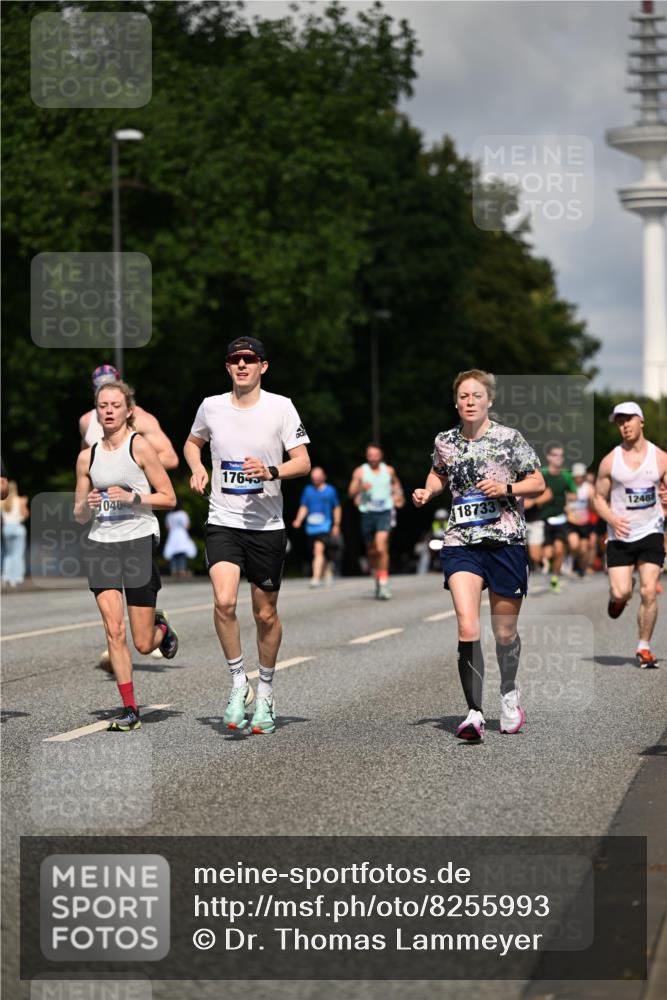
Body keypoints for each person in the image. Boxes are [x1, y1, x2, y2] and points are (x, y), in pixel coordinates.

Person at [184, 336, 311, 735]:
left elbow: (304, 462)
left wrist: (271, 471)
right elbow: (192, 443)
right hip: (223, 520)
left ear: (263, 366)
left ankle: (267, 691)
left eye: (249, 359)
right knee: (223, 601)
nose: (242, 365)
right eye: (235, 360)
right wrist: (198, 467)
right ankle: (239, 684)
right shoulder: (212, 406)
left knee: (264, 613)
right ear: (227, 367)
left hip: (266, 527)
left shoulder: (281, 407)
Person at [413, 369, 545, 742]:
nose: (470, 402)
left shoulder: (509, 439)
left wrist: (506, 486)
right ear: (456, 402)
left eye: (477, 396)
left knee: (504, 634)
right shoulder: (445, 441)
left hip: (505, 543)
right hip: (461, 542)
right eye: (464, 396)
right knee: (467, 626)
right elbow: (438, 474)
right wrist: (428, 493)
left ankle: (508, 692)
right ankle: (473, 712)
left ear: (489, 401)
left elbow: (537, 483)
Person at [74, 381, 179, 731]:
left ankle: (160, 629)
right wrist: (85, 507)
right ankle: (130, 708)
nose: (108, 410)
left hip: (137, 539)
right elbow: (78, 513)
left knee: (142, 641)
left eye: (115, 405)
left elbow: (168, 497)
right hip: (101, 543)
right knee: (113, 629)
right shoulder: (86, 457)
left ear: (128, 410)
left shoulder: (141, 447)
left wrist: (132, 498)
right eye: (102, 405)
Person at [593, 401, 667, 668]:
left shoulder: (660, 458)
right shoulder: (610, 461)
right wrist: (611, 517)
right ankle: (622, 594)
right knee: (621, 591)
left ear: (641, 421)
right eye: (619, 421)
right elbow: (598, 498)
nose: (624, 425)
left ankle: (644, 648)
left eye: (628, 419)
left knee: (650, 591)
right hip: (620, 534)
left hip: (651, 531)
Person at [80, 365, 179, 469]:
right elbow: (85, 465)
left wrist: (131, 467)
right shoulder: (86, 422)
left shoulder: (141, 418)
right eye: (102, 389)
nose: (108, 393)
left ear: (121, 385)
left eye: (112, 388)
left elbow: (170, 459)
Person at [348, 444, 404, 600]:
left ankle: (384, 583)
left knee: (381, 547)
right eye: (370, 455)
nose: (373, 457)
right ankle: (377, 576)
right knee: (372, 551)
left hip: (384, 511)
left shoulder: (389, 470)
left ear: (381, 455)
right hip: (367, 513)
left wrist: (399, 496)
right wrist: (360, 486)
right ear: (367, 456)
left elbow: (396, 485)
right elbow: (351, 492)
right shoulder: (360, 471)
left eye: (376, 455)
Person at [292, 467, 342, 587]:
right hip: (311, 527)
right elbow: (304, 507)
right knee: (317, 552)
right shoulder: (308, 490)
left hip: (325, 526)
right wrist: (298, 520)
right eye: (314, 477)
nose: (316, 479)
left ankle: (315, 578)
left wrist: (336, 524)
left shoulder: (330, 490)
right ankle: (327, 571)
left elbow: (336, 507)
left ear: (324, 477)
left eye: (318, 476)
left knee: (318, 550)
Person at [539, 444, 577, 593]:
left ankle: (555, 577)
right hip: (543, 518)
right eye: (555, 455)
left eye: (561, 455)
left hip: (560, 517)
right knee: (547, 553)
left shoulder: (566, 476)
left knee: (560, 550)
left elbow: (574, 494)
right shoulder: (542, 474)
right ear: (548, 457)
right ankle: (546, 565)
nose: (558, 458)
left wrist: (569, 496)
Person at [566, 462, 595, 576]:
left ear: (583, 476)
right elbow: (564, 505)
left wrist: (591, 500)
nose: (578, 478)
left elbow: (593, 505)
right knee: (574, 545)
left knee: (583, 549)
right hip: (572, 521)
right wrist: (569, 512)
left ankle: (582, 568)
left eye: (580, 476)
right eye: (576, 476)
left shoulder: (589, 488)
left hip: (584, 522)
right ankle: (570, 560)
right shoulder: (569, 487)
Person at [1, 481, 29, 587]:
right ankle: (16, 578)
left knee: (8, 553)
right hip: (17, 527)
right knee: (18, 554)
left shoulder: (2, 502)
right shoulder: (20, 500)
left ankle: (6, 576)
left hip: (7, 528)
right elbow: (25, 514)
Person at [164, 508, 197, 577]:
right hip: (182, 535)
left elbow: (168, 527)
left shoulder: (169, 515)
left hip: (172, 535)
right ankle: (182, 571)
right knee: (182, 555)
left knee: (173, 554)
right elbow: (187, 525)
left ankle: (174, 571)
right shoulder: (183, 513)